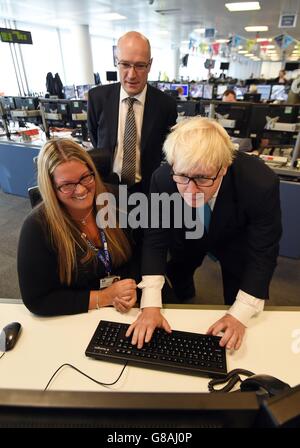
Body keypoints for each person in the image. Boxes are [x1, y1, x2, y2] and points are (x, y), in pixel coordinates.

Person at [126, 117, 282, 351]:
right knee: (180, 272)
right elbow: (155, 238)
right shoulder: (163, 178)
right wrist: (150, 305)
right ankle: (185, 293)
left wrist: (239, 314)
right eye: (183, 177)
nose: (190, 191)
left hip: (235, 238)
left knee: (237, 287)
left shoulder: (259, 183)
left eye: (201, 178)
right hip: (187, 235)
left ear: (223, 168)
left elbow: (263, 252)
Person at [17, 138, 137, 316]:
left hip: (127, 305)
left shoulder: (117, 200)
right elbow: (37, 300)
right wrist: (104, 297)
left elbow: (141, 254)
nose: (80, 190)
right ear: (51, 188)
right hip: (77, 316)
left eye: (85, 178)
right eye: (67, 185)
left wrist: (133, 287)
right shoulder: (36, 227)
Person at [87, 31, 178, 193]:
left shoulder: (166, 105)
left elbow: (166, 150)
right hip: (106, 185)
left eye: (140, 65)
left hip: (147, 188)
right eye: (125, 64)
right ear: (116, 62)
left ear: (149, 65)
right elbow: (95, 136)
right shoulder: (97, 97)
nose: (131, 74)